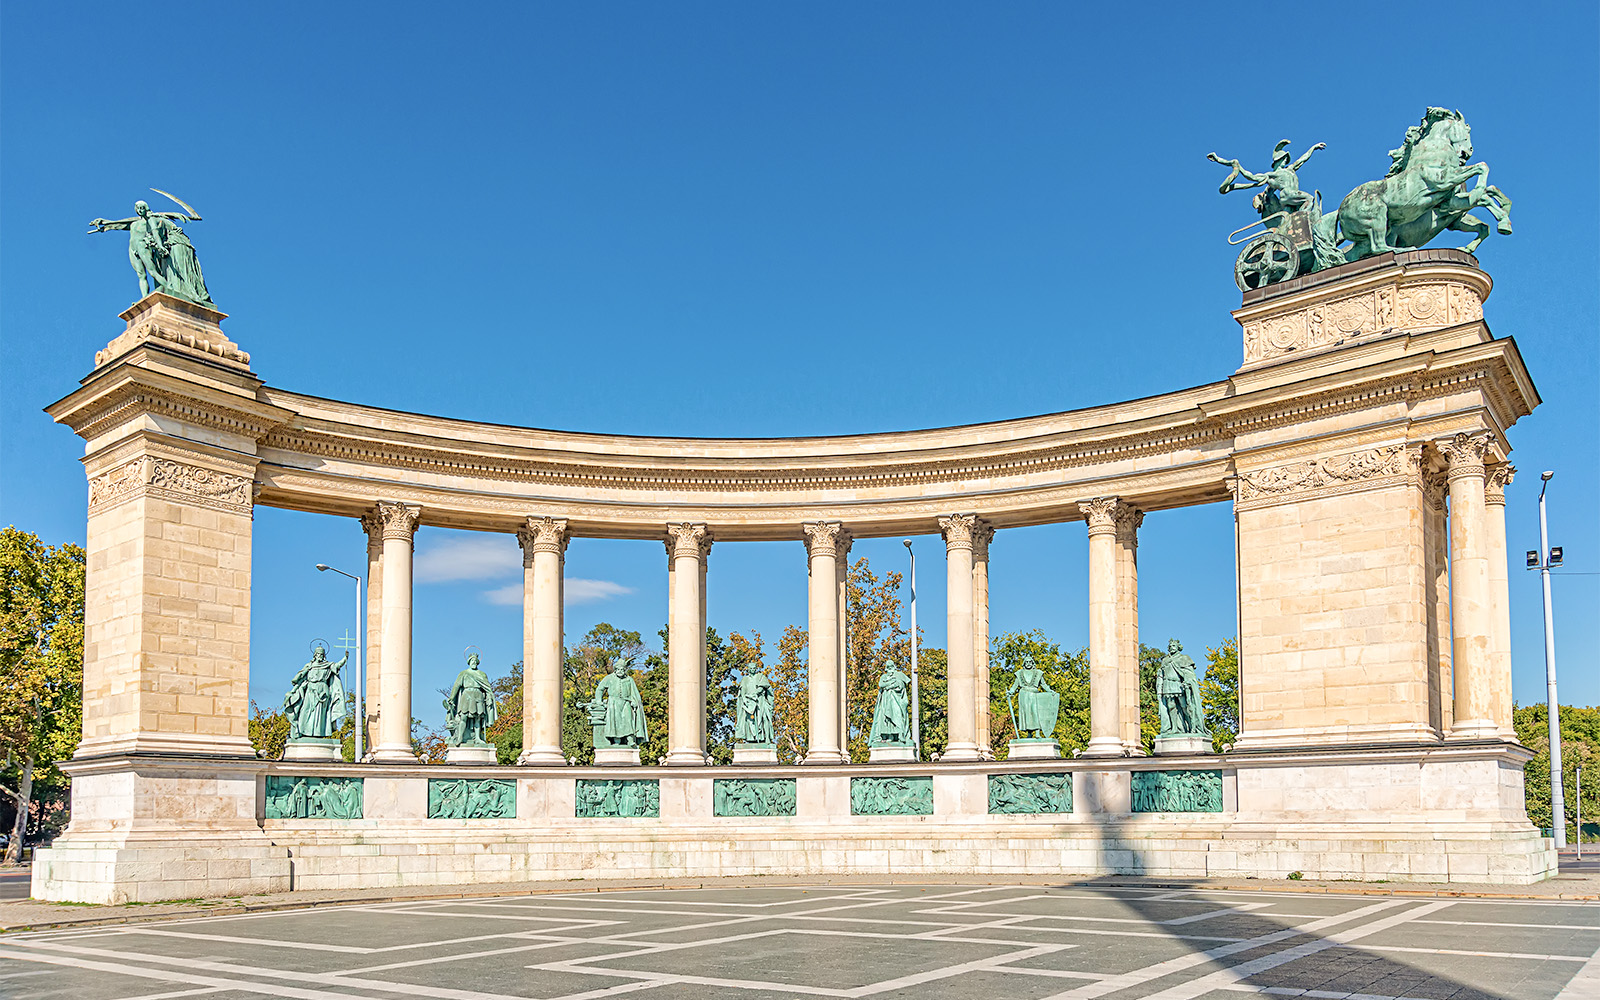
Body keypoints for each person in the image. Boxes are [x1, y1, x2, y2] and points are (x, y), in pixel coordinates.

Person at [88, 199, 214, 305]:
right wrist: (104, 222)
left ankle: (170, 289)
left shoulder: (151, 220)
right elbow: (117, 224)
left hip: (143, 246)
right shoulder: (134, 223)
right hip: (133, 248)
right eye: (138, 207)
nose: (140, 209)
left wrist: (171, 232)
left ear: (146, 208)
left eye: (142, 207)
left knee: (152, 271)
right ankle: (144, 298)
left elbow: (160, 231)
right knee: (140, 274)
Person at [284, 646, 348, 740]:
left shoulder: (328, 665)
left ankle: (318, 733)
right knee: (305, 711)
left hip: (323, 691)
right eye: (318, 654)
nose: (320, 656)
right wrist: (293, 691)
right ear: (315, 655)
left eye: (321, 654)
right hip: (310, 690)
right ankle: (303, 732)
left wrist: (345, 658)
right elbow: (302, 679)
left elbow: (337, 666)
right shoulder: (309, 666)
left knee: (320, 713)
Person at [589, 657, 648, 746]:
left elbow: (633, 692)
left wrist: (634, 701)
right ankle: (616, 741)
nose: (620, 671)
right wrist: (599, 701)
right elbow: (600, 689)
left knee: (628, 721)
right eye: (618, 669)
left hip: (626, 702)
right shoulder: (609, 678)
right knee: (614, 722)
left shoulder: (629, 679)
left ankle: (630, 740)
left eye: (622, 669)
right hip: (613, 703)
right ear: (615, 670)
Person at [1157, 639, 1209, 737]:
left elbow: (1190, 673)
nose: (1171, 648)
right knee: (1171, 706)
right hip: (1168, 685)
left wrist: (1187, 680)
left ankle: (1192, 726)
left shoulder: (1184, 658)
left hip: (1179, 685)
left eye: (1173, 646)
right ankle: (1174, 728)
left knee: (1185, 706)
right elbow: (1161, 675)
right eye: (1170, 646)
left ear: (1178, 648)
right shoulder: (1165, 660)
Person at [444, 652, 498, 746]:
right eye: (472, 660)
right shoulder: (464, 673)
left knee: (478, 718)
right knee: (463, 717)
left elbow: (487, 688)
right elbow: (457, 686)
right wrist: (452, 697)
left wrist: (489, 698)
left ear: (477, 662)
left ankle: (477, 738)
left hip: (478, 696)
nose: (474, 662)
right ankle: (460, 737)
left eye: (475, 661)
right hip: (467, 695)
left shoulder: (482, 674)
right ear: (469, 662)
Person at [1006, 657, 1061, 739]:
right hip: (1023, 696)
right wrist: (1010, 692)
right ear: (1024, 663)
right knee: (1026, 714)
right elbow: (1015, 685)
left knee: (1035, 713)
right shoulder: (1019, 673)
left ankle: (1037, 732)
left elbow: (1043, 684)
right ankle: (1029, 733)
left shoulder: (1038, 673)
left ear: (1032, 663)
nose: (1028, 663)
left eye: (1030, 662)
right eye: (1026, 662)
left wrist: (1050, 691)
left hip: (1034, 695)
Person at [869, 659, 913, 746]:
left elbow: (900, 685)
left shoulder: (899, 675)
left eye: (891, 666)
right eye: (888, 666)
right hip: (885, 700)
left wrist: (889, 686)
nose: (889, 668)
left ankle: (901, 735)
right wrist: (891, 683)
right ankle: (888, 737)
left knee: (898, 716)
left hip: (896, 700)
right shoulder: (884, 676)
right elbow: (881, 684)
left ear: (894, 667)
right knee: (885, 720)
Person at [734, 667, 775, 744]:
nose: (752, 669)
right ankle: (751, 738)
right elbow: (742, 690)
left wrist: (755, 694)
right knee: (750, 720)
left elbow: (764, 687)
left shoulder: (761, 677)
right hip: (750, 702)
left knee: (764, 718)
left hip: (760, 701)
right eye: (751, 668)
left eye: (754, 668)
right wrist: (745, 699)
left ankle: (766, 738)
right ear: (748, 669)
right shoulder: (745, 679)